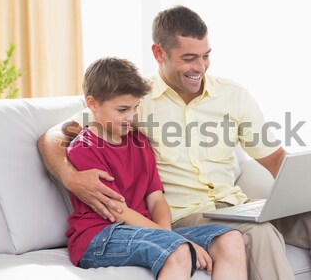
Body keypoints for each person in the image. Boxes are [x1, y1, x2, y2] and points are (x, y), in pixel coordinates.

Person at [38, 6, 311, 280]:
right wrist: (70, 177)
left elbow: (275, 160)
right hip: (190, 217)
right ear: (159, 53)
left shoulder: (233, 95)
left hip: (238, 207)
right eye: (189, 58)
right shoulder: (135, 101)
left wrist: (304, 194)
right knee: (260, 235)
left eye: (205, 56)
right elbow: (53, 136)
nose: (199, 67)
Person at [64, 56, 247, 280]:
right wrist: (174, 240)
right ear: (92, 104)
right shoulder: (83, 149)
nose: (130, 117)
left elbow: (156, 199)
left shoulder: (139, 142)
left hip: (147, 230)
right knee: (179, 250)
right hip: (100, 236)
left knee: (230, 239)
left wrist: (168, 234)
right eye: (122, 110)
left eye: (135, 108)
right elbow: (116, 210)